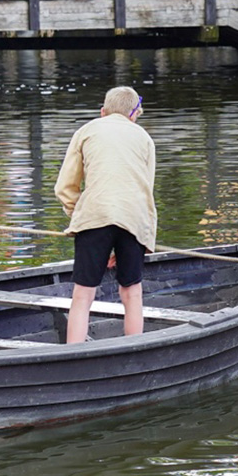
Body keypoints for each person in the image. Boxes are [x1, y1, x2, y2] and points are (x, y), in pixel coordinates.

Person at [54, 85, 157, 345]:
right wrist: (144, 236)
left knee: (82, 295)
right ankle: (134, 349)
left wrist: (78, 215)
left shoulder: (86, 131)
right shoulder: (144, 137)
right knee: (132, 292)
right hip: (133, 218)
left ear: (103, 111)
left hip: (94, 215)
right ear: (134, 114)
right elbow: (146, 190)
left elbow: (65, 187)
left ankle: (73, 354)